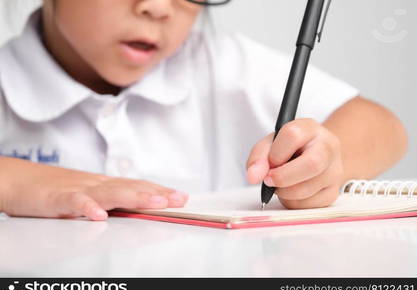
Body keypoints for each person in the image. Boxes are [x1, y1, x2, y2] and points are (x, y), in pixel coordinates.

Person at [0, 0, 407, 221]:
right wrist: (16, 182)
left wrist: (325, 161)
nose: (159, 8)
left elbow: (382, 126)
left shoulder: (219, 62)